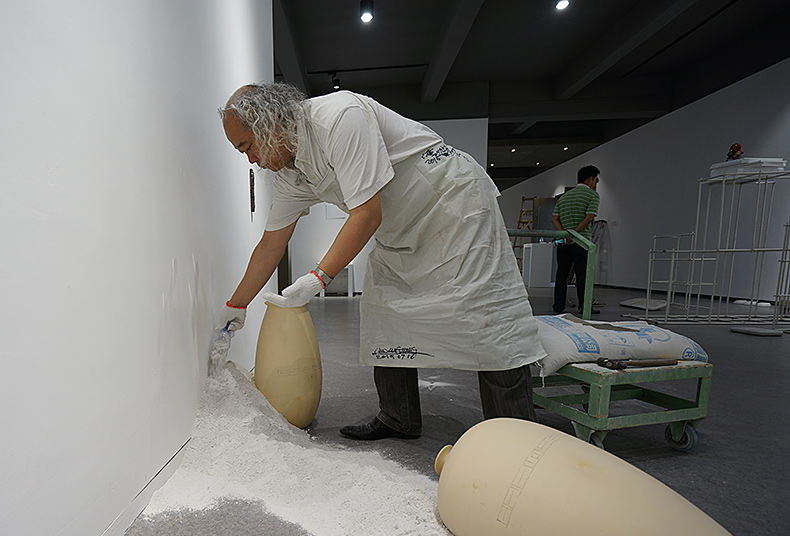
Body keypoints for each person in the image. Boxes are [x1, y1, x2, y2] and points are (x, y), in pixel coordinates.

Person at [216, 82, 544, 440]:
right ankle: (398, 417)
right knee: (383, 311)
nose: (251, 160)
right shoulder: (291, 175)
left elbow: (366, 214)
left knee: (487, 316)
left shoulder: (338, 117)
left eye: (247, 146)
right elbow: (270, 245)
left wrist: (318, 278)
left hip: (451, 202)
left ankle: (517, 437)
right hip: (399, 225)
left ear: (267, 123)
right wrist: (236, 305)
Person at [551, 165, 601, 315]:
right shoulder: (593, 195)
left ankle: (558, 305)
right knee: (583, 276)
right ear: (590, 179)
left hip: (564, 243)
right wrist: (575, 233)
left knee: (562, 274)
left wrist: (565, 235)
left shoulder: (564, 197)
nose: (595, 184)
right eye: (595, 180)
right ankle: (584, 307)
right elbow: (589, 217)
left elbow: (554, 219)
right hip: (582, 242)